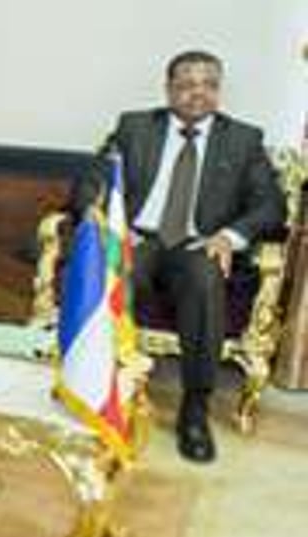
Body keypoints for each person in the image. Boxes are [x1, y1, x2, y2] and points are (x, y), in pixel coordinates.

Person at [70, 49, 285, 464]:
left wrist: (229, 236)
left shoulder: (244, 139)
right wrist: (113, 228)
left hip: (197, 246)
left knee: (206, 276)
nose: (197, 94)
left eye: (208, 84)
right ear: (169, 89)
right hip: (139, 240)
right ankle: (110, 391)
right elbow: (88, 185)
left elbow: (271, 206)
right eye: (186, 84)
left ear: (219, 91)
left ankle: (195, 408)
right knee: (116, 272)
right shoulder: (134, 128)